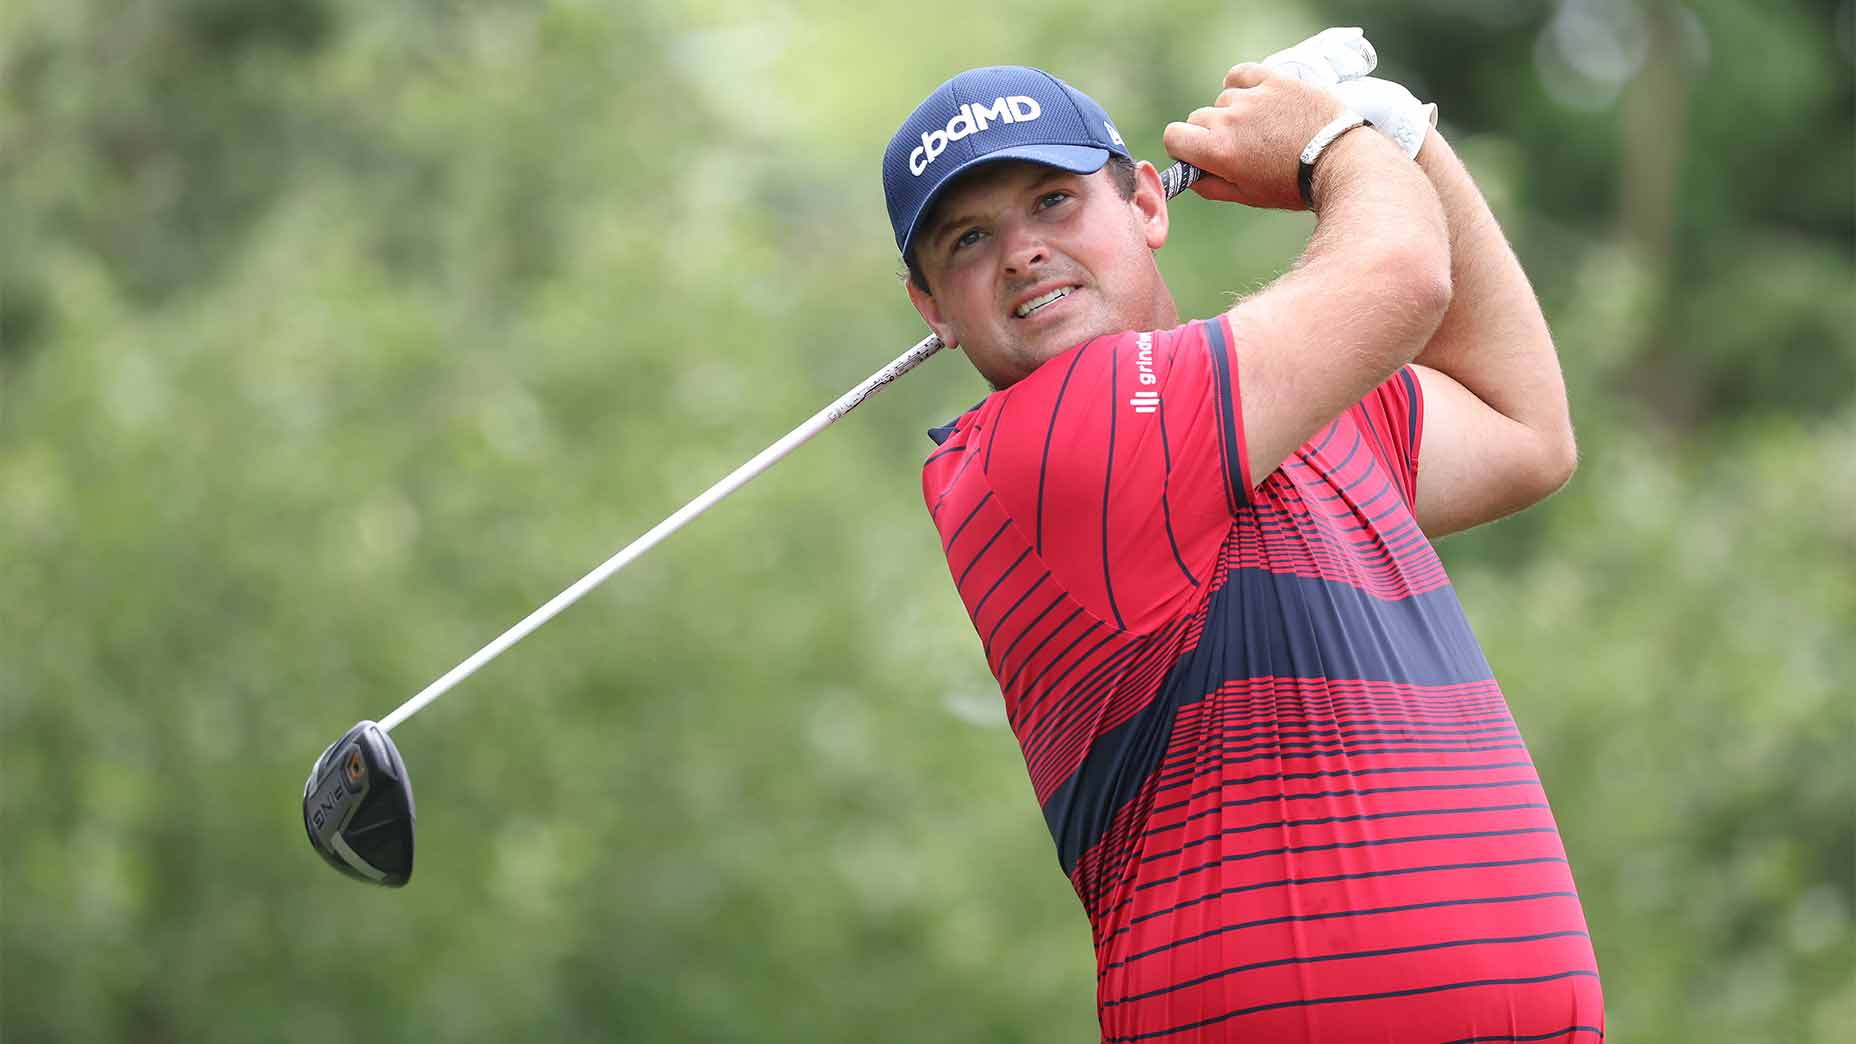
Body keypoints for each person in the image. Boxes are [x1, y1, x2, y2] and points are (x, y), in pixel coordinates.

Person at [882, 32, 1603, 1044]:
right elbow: (1399, 270)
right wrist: (1334, 144)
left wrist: (1403, 138)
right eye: (965, 240)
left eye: (1052, 201)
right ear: (931, 310)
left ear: (1143, 203)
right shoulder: (1040, 445)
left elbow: (1522, 432)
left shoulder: (1285, 412)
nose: (1020, 252)